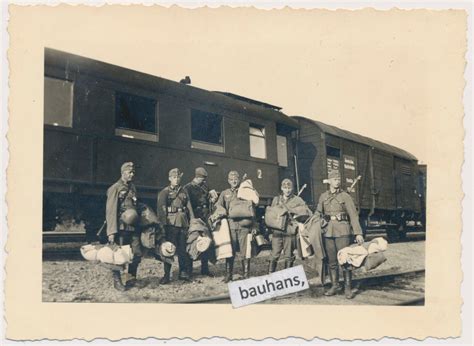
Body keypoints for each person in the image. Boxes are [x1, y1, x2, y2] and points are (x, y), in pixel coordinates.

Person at [317, 170, 364, 299]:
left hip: (343, 231)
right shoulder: (323, 197)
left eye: (338, 179)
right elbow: (317, 213)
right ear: (329, 181)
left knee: (345, 260)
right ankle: (335, 285)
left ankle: (347, 288)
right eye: (335, 179)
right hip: (328, 231)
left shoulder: (345, 196)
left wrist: (358, 233)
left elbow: (353, 216)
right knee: (331, 261)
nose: (337, 181)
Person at [105, 162, 143, 291]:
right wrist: (111, 232)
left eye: (133, 172)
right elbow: (110, 211)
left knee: (136, 253)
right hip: (121, 227)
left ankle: (131, 278)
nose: (132, 174)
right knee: (119, 255)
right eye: (129, 172)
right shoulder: (114, 188)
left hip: (134, 226)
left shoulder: (133, 188)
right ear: (123, 173)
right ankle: (117, 280)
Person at [215, 171, 256, 282]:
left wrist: (254, 226)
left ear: (239, 180)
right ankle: (229, 275)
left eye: (236, 179)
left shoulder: (245, 191)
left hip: (244, 225)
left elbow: (252, 208)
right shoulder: (225, 193)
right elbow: (218, 205)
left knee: (245, 250)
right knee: (230, 250)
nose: (234, 181)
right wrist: (222, 211)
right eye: (231, 179)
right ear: (228, 180)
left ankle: (246, 274)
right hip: (230, 225)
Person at [157, 168, 195, 284]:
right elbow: (161, 210)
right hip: (171, 224)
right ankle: (166, 275)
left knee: (183, 250)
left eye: (178, 177)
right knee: (169, 249)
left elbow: (189, 208)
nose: (177, 179)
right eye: (174, 177)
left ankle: (183, 273)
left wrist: (193, 222)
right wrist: (162, 225)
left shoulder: (184, 192)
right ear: (170, 178)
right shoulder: (165, 192)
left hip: (183, 224)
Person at [268, 179, 311, 273]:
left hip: (289, 230)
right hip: (277, 230)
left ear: (292, 188)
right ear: (281, 188)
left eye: (289, 188)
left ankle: (287, 277)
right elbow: (271, 215)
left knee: (288, 255)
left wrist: (292, 210)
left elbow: (307, 211)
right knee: (274, 254)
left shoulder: (297, 199)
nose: (287, 190)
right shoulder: (276, 199)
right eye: (285, 188)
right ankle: (270, 277)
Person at [184, 167, 218, 277]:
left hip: (205, 217)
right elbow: (187, 205)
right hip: (194, 218)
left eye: (204, 179)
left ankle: (205, 269)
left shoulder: (205, 187)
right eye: (202, 179)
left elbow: (208, 201)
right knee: (192, 241)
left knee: (206, 242)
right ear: (197, 177)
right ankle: (189, 270)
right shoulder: (188, 188)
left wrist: (212, 200)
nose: (203, 181)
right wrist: (192, 219)